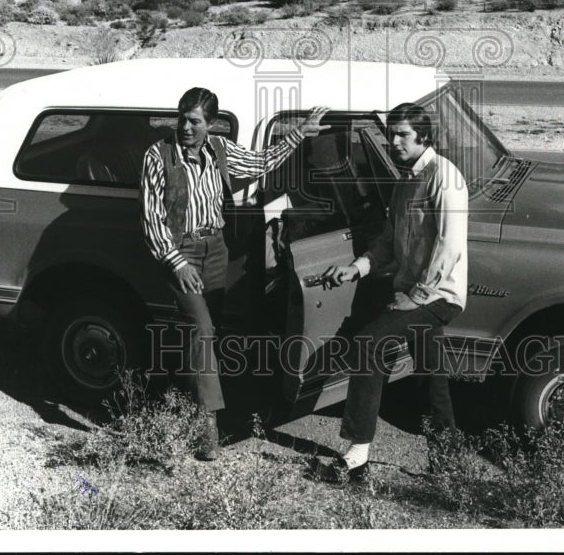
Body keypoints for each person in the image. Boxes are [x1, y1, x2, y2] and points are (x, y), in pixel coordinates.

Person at [141, 87, 329, 460]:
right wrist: (176, 262)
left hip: (216, 249)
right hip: (180, 251)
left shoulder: (220, 151)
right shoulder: (158, 156)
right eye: (182, 118)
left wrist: (299, 133)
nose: (185, 127)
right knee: (202, 329)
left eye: (195, 121)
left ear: (211, 125)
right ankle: (207, 424)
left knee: (205, 331)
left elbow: (261, 162)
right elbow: (151, 219)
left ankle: (179, 396)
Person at [321, 101, 468, 481]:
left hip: (439, 296)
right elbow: (388, 244)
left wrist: (415, 296)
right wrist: (356, 268)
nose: (394, 141)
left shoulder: (444, 177)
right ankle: (447, 462)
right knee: (431, 373)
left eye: (402, 134)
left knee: (368, 343)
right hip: (412, 292)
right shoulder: (404, 182)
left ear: (424, 136)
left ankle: (356, 454)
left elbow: (449, 247)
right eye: (391, 134)